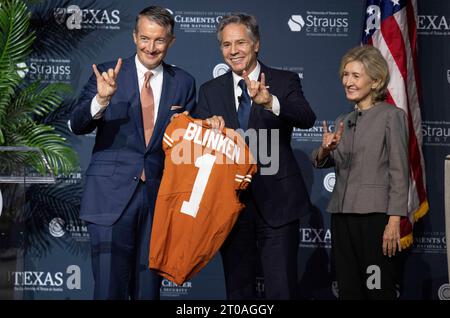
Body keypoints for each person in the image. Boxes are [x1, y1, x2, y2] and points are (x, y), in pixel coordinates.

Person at [70, 6, 196, 300]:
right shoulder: (107, 73)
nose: (150, 47)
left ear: (172, 41)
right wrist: (100, 100)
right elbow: (77, 124)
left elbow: (187, 145)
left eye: (159, 40)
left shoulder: (185, 82)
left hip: (159, 199)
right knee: (108, 289)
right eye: (144, 38)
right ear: (134, 36)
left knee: (148, 290)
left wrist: (207, 127)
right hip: (109, 198)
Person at [193, 13, 316, 299]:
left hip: (279, 204)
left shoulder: (284, 81)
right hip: (230, 207)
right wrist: (205, 130)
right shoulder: (209, 91)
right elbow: (197, 148)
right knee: (238, 292)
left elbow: (306, 117)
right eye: (226, 45)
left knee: (281, 289)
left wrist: (271, 102)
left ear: (256, 44)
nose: (233, 50)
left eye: (240, 43)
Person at [312, 45, 409, 299]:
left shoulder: (391, 116)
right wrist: (325, 149)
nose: (348, 81)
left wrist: (395, 219)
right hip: (342, 217)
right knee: (349, 289)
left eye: (356, 75)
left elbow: (400, 170)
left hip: (375, 219)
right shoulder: (343, 120)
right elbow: (323, 161)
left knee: (376, 288)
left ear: (375, 80)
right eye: (345, 75)